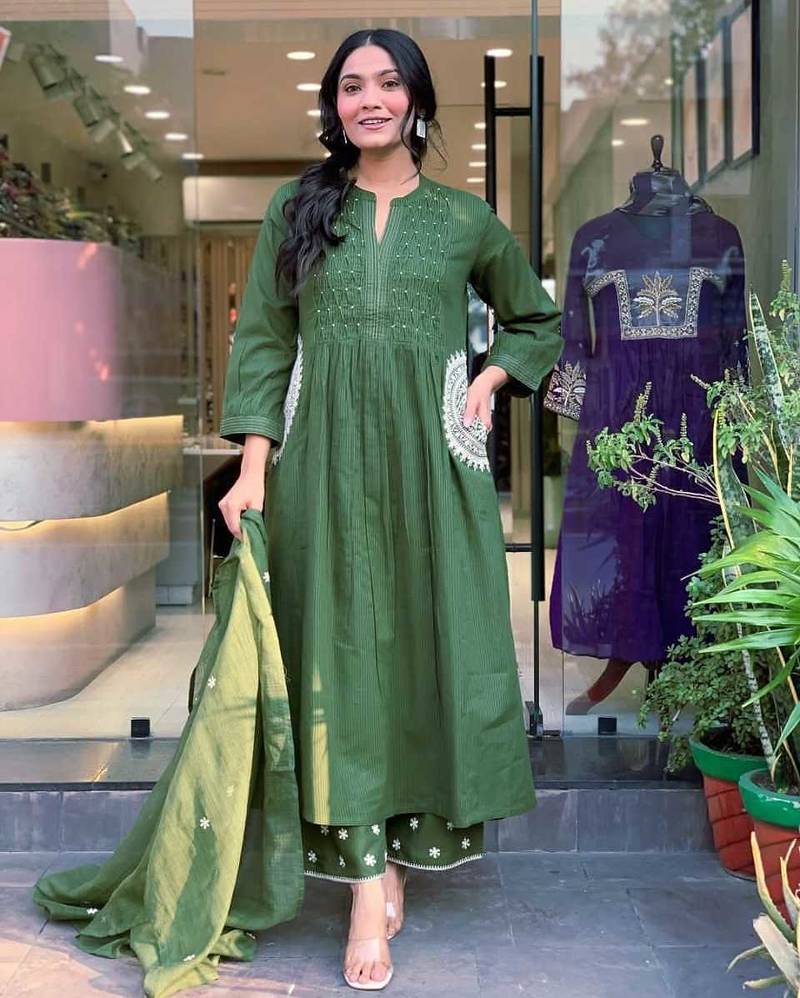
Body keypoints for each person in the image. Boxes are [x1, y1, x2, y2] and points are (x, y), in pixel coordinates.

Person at [217, 27, 562, 991]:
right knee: (340, 661)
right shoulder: (298, 209)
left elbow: (535, 319)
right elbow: (263, 341)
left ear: (415, 99)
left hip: (429, 470)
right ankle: (366, 886)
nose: (368, 99)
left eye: (387, 83)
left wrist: (491, 376)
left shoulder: (464, 219)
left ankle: (398, 851)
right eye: (351, 86)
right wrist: (253, 468)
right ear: (334, 105)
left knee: (419, 652)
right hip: (322, 466)